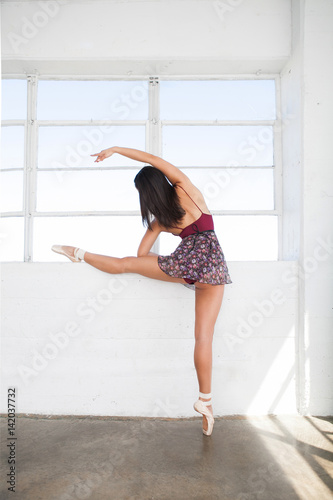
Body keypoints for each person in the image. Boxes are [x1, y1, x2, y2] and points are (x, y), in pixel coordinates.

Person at [52, 146, 232, 436]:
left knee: (128, 265)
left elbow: (140, 254)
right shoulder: (187, 189)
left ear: (146, 195)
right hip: (214, 270)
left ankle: (78, 252)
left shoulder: (161, 221)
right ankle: (205, 401)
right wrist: (116, 150)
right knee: (204, 338)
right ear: (161, 180)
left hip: (185, 268)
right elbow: (151, 160)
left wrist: (166, 260)